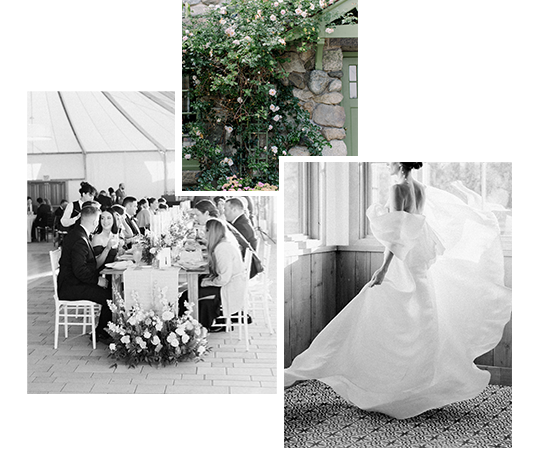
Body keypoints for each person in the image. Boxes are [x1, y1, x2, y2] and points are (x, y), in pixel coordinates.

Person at [284, 162, 512, 419]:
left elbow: (397, 236)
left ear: (398, 162)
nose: (388, 163)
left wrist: (383, 269)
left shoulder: (397, 189)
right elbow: (414, 230)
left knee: (381, 318)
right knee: (416, 322)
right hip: (418, 264)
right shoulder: (420, 188)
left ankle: (347, 372)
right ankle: (408, 386)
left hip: (403, 263)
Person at [57, 204, 112, 344]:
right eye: (99, 220)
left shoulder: (79, 234)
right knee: (110, 297)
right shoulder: (80, 239)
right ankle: (101, 333)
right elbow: (80, 270)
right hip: (70, 287)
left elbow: (87, 265)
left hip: (74, 282)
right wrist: (97, 281)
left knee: (111, 290)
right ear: (94, 222)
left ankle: (103, 330)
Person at [199, 218, 246, 330]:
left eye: (206, 231)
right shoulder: (223, 244)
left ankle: (198, 329)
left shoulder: (222, 249)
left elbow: (223, 279)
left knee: (191, 294)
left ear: (211, 232)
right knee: (195, 288)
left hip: (229, 288)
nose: (204, 234)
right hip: (231, 285)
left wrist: (207, 282)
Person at [224, 197, 259, 278]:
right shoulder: (241, 221)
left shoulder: (241, 226)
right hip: (243, 265)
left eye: (225, 209)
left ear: (234, 210)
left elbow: (234, 251)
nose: (224, 212)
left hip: (244, 270)